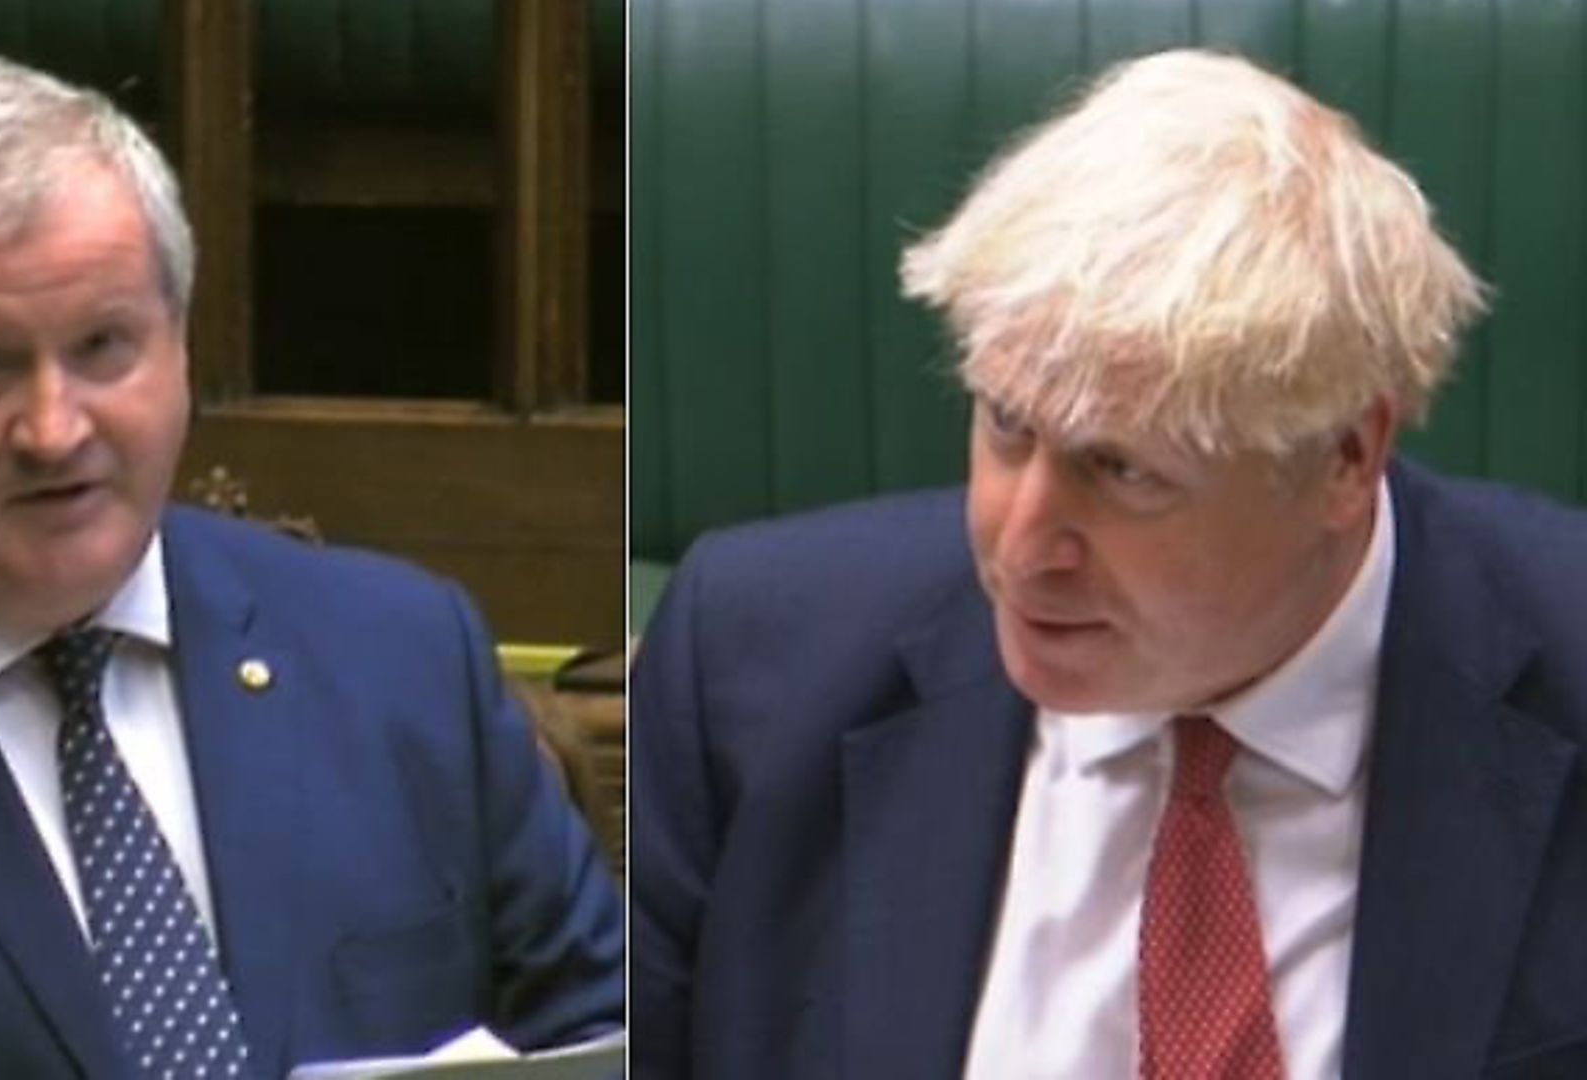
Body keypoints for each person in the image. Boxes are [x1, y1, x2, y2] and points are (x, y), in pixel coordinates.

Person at [631, 48, 1587, 1079]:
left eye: (1122, 471)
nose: (1020, 543)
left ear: (1346, 460)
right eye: (1006, 426)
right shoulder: (742, 671)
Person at [0, 57, 622, 1078]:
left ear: (183, 344)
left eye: (102, 347)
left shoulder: (406, 660)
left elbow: (601, 1038)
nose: (53, 428)